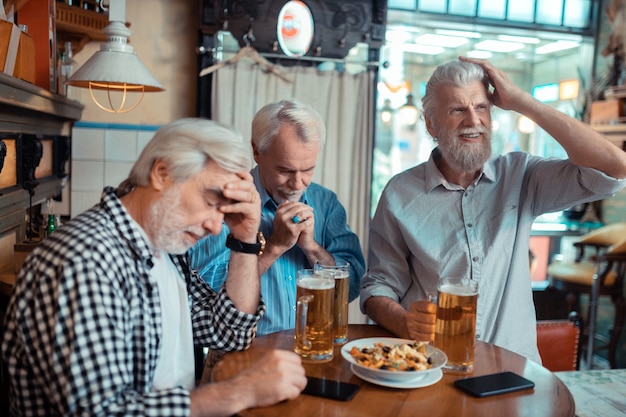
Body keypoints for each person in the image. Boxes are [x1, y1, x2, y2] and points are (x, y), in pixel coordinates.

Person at [1, 119, 307, 417]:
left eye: (225, 210)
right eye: (212, 199)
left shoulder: (164, 247)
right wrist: (238, 391)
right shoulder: (85, 261)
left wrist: (244, 239)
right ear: (162, 172)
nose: (217, 227)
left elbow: (228, 332)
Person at [360, 57, 626, 363]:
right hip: (431, 367)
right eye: (457, 109)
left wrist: (523, 102)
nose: (473, 121)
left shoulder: (521, 174)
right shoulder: (399, 193)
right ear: (431, 123)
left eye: (481, 107)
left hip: (512, 369)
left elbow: (614, 170)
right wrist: (402, 320)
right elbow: (377, 287)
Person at [189, 100, 365, 335]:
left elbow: (352, 288)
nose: (297, 183)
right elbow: (207, 296)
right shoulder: (224, 202)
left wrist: (312, 248)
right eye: (284, 171)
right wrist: (274, 247)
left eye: (308, 170)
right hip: (243, 357)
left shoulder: (326, 203)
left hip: (314, 352)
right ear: (256, 152)